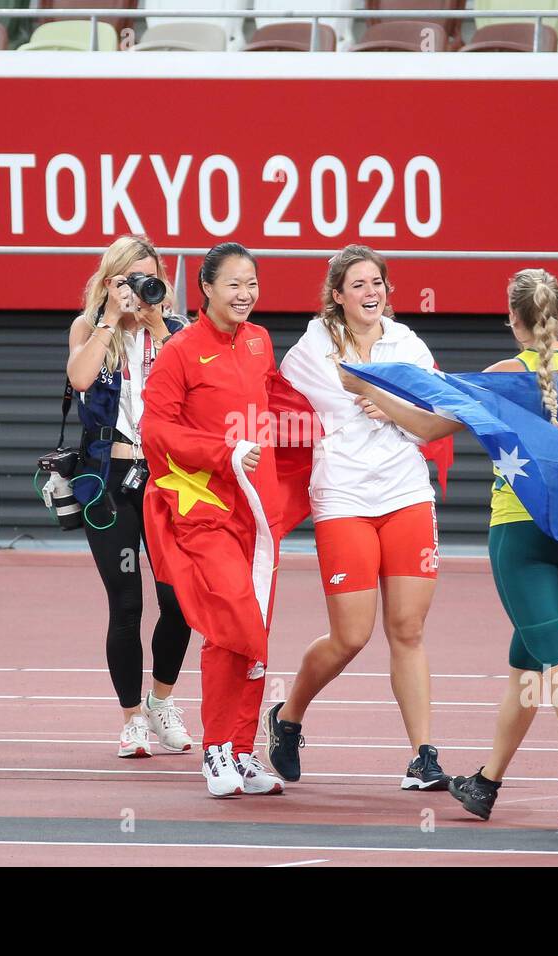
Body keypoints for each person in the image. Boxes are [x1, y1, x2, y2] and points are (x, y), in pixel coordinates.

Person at [335, 268, 558, 827]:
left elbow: (429, 427)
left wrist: (371, 390)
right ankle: (487, 782)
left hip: (520, 535)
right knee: (530, 663)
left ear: (514, 323)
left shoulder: (502, 377)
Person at [266, 245, 451, 791]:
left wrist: (384, 400)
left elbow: (434, 424)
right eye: (360, 285)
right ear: (338, 296)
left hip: (405, 493)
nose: (372, 293)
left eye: (378, 283)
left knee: (408, 629)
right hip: (343, 498)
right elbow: (276, 402)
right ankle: (288, 716)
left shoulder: (406, 344)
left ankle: (423, 756)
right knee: (351, 636)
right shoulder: (311, 348)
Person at [140, 242, 313, 798]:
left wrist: (348, 413)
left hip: (256, 515)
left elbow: (284, 404)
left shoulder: (261, 341)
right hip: (202, 510)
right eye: (234, 285)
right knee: (230, 622)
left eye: (252, 284)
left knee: (255, 630)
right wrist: (224, 452)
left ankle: (241, 751)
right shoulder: (180, 352)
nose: (245, 295)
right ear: (206, 290)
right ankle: (216, 748)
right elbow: (155, 431)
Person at [66, 235, 194, 760]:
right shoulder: (92, 325)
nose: (140, 287)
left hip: (168, 481)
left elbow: (194, 384)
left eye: (148, 276)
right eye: (129, 278)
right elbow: (79, 377)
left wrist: (158, 325)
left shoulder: (178, 328)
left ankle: (162, 701)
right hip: (110, 482)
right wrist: (110, 321)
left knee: (179, 602)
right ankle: (131, 719)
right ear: (110, 279)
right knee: (126, 603)